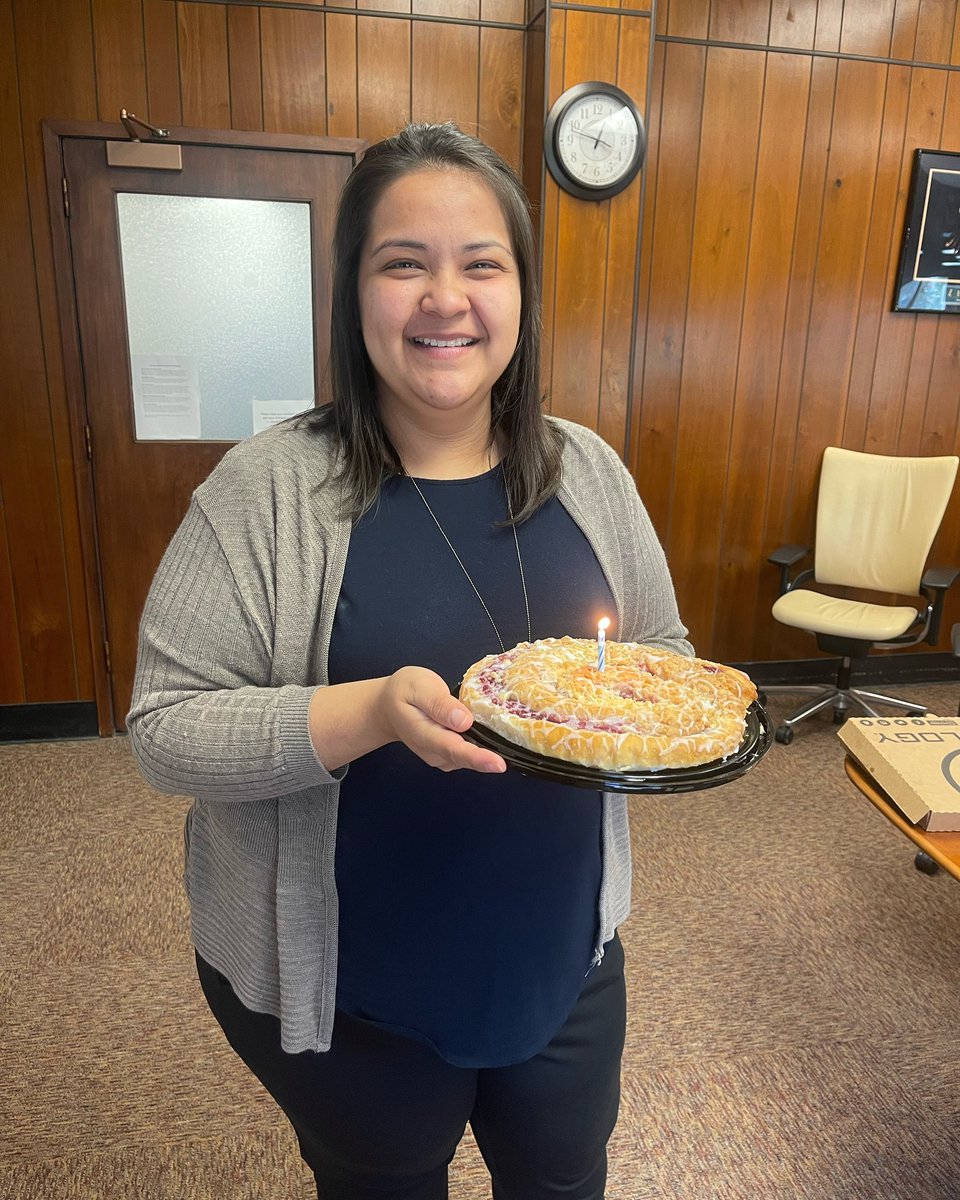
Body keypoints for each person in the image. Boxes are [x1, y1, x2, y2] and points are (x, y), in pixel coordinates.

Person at [127, 122, 692, 1200]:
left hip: (560, 961)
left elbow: (665, 656)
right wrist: (371, 713)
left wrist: (629, 717)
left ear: (521, 293)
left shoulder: (591, 472)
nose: (447, 298)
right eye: (404, 264)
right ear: (354, 295)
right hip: (351, 995)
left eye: (482, 263)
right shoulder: (266, 492)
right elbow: (165, 731)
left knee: (565, 1180)